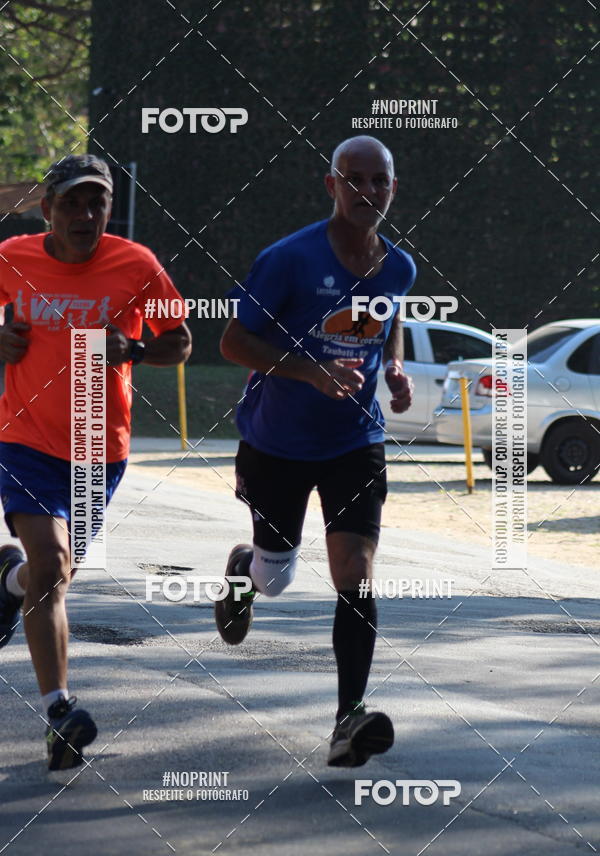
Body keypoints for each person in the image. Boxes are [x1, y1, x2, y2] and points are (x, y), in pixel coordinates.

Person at [218, 135, 415, 767]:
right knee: (276, 578)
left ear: (392, 189)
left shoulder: (399, 266)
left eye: (378, 181)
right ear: (331, 185)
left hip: (355, 439)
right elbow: (232, 342)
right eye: (354, 180)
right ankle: (246, 572)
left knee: (354, 571)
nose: (367, 192)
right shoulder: (288, 259)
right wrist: (307, 372)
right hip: (278, 441)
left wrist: (394, 367)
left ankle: (347, 719)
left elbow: (385, 321)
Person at [0, 154, 191, 770]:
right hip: (24, 438)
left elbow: (180, 342)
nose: (85, 215)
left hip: (97, 446)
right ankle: (60, 711)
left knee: (50, 579)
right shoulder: (14, 257)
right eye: (72, 204)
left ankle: (7, 581)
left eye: (97, 204)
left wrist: (133, 346)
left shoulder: (136, 265)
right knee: (52, 563)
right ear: (48, 210)